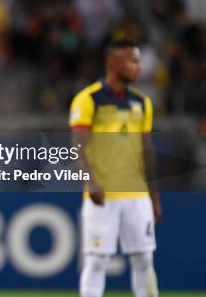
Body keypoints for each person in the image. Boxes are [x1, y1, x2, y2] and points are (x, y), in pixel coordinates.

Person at [70, 40, 161, 297]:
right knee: (97, 261)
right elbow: (77, 147)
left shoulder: (142, 102)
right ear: (113, 62)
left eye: (138, 61)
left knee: (144, 259)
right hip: (103, 195)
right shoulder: (88, 100)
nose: (138, 67)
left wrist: (154, 195)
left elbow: (147, 150)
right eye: (132, 61)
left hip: (137, 195)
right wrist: (92, 182)